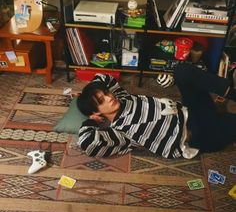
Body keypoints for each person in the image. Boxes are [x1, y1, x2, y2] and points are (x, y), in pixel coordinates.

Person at [76, 63, 236, 159]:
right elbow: (86, 143)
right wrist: (91, 120)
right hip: (202, 132)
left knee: (182, 70)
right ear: (96, 112)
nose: (109, 97)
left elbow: (105, 78)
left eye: (106, 93)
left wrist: (87, 92)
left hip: (191, 110)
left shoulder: (122, 97)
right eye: (101, 100)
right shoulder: (120, 132)